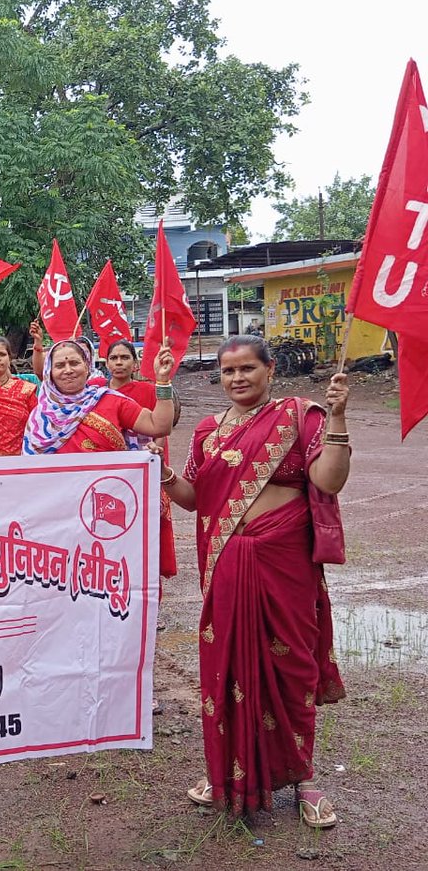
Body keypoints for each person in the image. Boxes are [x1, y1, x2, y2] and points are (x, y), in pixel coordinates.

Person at [161, 335, 349, 827]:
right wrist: (162, 474)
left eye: (247, 368)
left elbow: (328, 481)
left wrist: (338, 418)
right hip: (228, 559)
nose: (238, 378)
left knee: (293, 666)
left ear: (270, 370)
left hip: (285, 559)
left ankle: (304, 777)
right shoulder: (208, 430)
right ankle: (226, 773)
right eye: (229, 371)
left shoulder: (299, 417)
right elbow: (195, 499)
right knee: (226, 666)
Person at [104, 339, 180, 580]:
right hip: (110, 473)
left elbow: (161, 428)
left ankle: (148, 583)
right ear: (106, 364)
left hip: (144, 468)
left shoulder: (148, 391)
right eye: (114, 358)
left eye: (124, 357)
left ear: (135, 364)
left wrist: (153, 457)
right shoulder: (96, 393)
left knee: (146, 528)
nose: (119, 363)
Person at [23, 338, 174, 454]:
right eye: (59, 365)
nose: (68, 370)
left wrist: (163, 380)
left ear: (87, 367)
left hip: (107, 485)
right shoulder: (40, 416)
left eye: (74, 363)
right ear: (49, 373)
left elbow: (159, 426)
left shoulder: (111, 400)